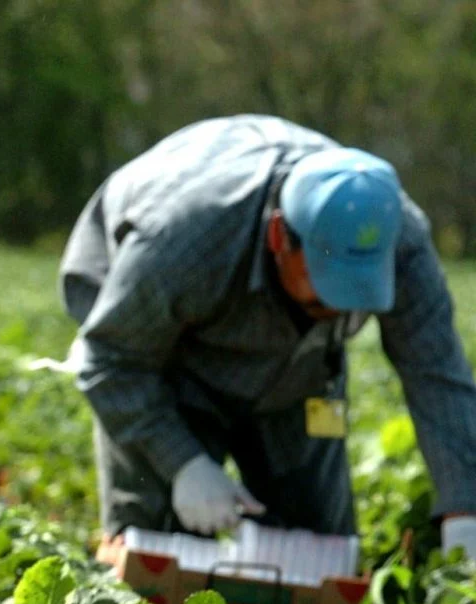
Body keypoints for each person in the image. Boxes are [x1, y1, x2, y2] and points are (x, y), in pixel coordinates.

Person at [60, 115, 476, 556]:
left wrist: (466, 513)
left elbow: (437, 374)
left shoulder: (398, 239)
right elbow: (111, 359)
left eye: (357, 294)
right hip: (163, 353)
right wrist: (182, 462)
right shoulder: (185, 239)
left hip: (302, 373)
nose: (338, 310)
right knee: (156, 556)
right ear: (279, 235)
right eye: (325, 292)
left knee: (317, 554)